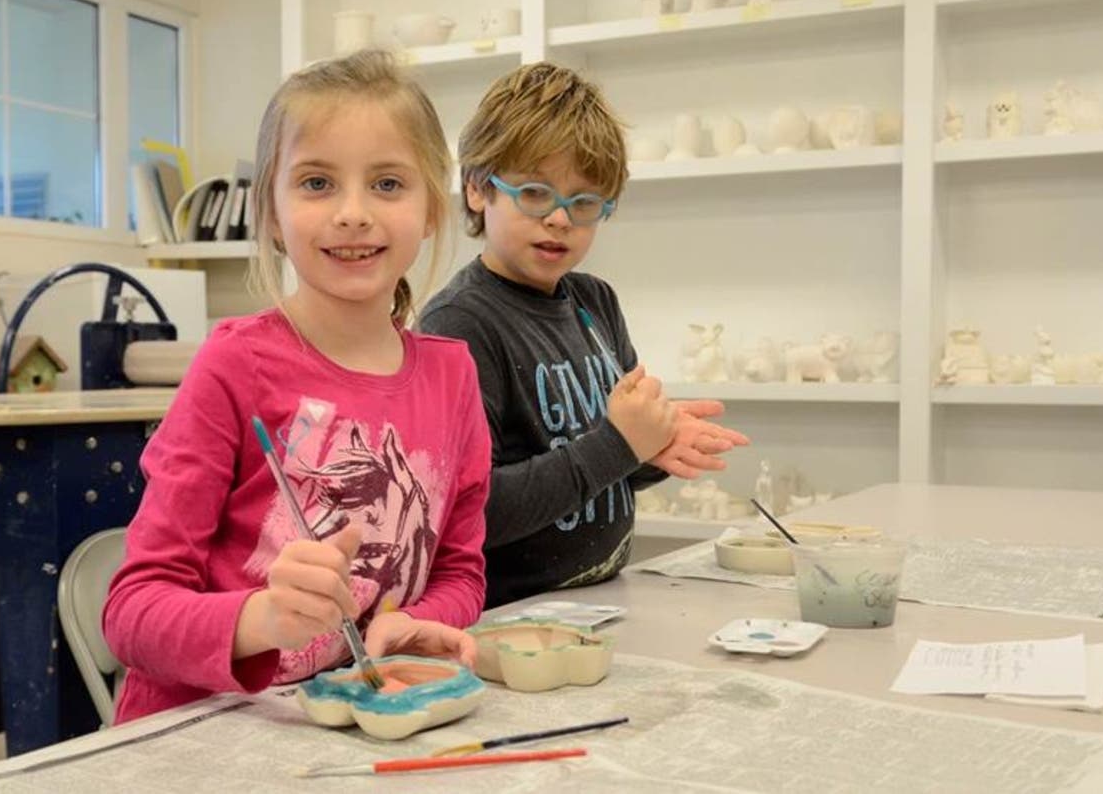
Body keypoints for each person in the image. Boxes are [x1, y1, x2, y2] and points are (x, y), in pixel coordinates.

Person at [104, 50, 491, 723]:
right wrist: (262, 619)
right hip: (203, 736)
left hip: (350, 730)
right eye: (316, 183)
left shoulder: (452, 376)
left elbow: (460, 572)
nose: (352, 213)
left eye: (388, 183)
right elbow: (131, 614)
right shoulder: (235, 365)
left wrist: (413, 621)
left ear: (433, 207)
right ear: (271, 214)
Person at [419, 62, 748, 608]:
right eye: (534, 193)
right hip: (510, 619)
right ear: (477, 189)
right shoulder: (459, 325)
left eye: (585, 203)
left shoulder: (595, 302)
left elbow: (607, 469)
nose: (560, 219)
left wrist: (651, 447)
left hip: (600, 604)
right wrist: (620, 444)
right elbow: (472, 511)